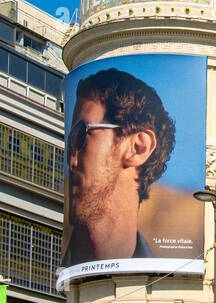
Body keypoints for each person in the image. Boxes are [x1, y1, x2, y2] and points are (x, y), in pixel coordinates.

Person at [63, 68, 176, 266]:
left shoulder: (162, 278)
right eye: (70, 140)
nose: (71, 160)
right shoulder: (65, 272)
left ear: (138, 148)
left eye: (81, 136)